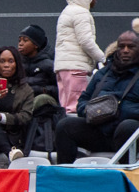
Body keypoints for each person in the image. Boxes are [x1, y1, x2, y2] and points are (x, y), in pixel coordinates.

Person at [56, 30, 139, 164]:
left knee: (127, 126)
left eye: (131, 47)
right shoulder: (103, 73)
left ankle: (126, 175)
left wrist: (119, 110)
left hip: (129, 135)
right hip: (100, 130)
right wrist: (91, 111)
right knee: (65, 125)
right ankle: (64, 175)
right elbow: (83, 101)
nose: (125, 50)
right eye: (121, 46)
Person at [54, 0, 105, 114]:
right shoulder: (81, 13)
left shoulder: (66, 12)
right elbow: (86, 41)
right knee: (77, 108)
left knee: (65, 108)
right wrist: (103, 58)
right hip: (76, 70)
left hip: (63, 69)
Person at [18, 24, 59, 104]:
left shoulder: (49, 65)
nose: (20, 44)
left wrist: (42, 90)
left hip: (42, 106)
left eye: (25, 40)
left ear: (36, 45)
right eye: (19, 40)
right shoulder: (16, 64)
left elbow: (60, 89)